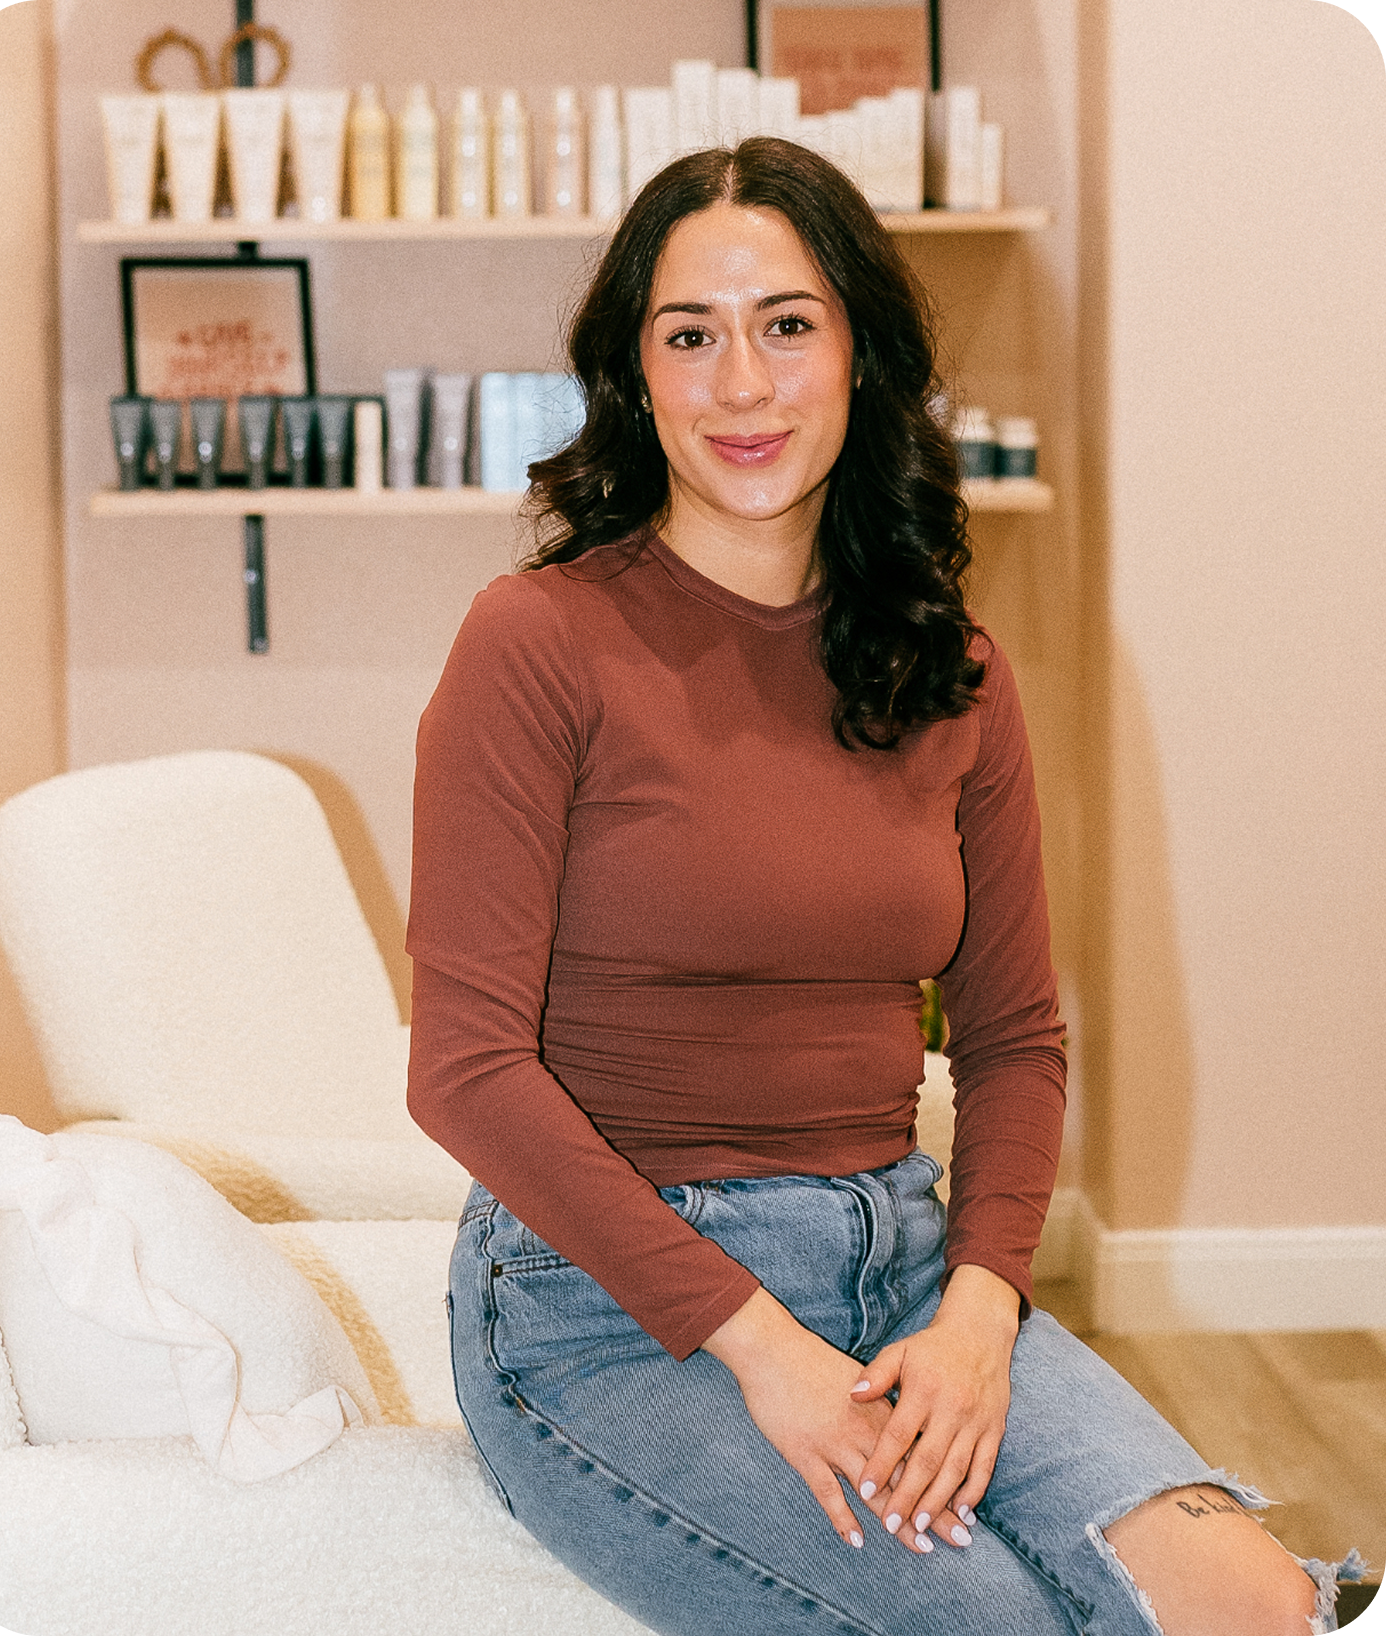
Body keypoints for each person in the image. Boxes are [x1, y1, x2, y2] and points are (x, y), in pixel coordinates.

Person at [406, 140, 1342, 1635]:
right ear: (633, 376)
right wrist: (766, 1352)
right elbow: (461, 1072)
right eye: (688, 335)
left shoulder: (949, 668)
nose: (741, 384)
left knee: (1245, 1603)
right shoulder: (537, 641)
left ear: (860, 354)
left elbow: (1015, 1036)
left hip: (901, 1258)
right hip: (606, 1310)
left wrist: (981, 1310)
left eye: (787, 324)